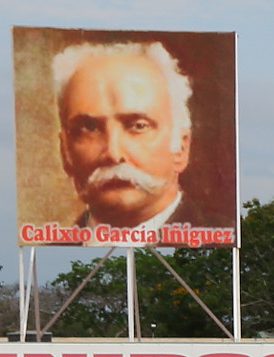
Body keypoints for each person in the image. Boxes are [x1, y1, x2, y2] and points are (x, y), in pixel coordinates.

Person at [51, 41, 225, 230]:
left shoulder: (219, 246)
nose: (113, 153)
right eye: (89, 129)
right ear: (65, 152)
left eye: (138, 126)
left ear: (181, 149)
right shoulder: (49, 255)